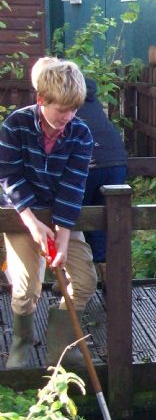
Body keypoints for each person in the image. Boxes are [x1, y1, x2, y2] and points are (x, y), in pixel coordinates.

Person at [1, 60, 97, 368]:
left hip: (61, 216)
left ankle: (60, 348)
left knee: (83, 280)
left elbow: (73, 186)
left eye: (74, 111)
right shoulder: (15, 125)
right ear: (41, 100)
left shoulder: (80, 133)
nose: (68, 118)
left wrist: (63, 238)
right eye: (61, 111)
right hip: (21, 212)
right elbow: (9, 176)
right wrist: (32, 223)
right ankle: (21, 341)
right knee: (26, 289)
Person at [31, 57, 128, 290]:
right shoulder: (87, 93)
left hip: (89, 162)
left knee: (75, 217)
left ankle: (71, 278)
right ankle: (107, 282)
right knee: (103, 221)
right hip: (115, 160)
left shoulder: (57, 107)